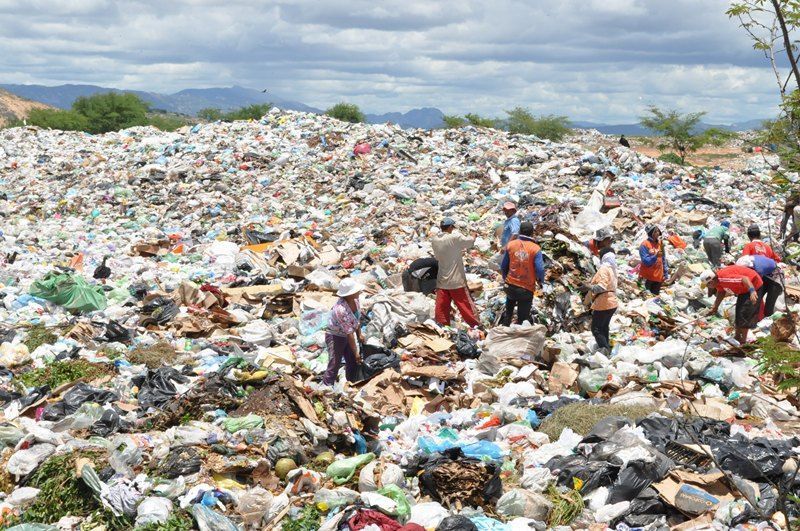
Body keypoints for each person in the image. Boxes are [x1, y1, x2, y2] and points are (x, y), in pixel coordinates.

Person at [431, 217, 480, 328]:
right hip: (456, 280)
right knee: (465, 306)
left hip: (442, 280)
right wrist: (473, 235)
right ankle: (477, 326)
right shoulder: (454, 237)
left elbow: (438, 257)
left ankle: (442, 329)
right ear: (449, 227)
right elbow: (470, 242)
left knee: (441, 308)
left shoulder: (435, 240)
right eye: (452, 227)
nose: (453, 229)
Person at [702, 265, 763, 344]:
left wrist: (752, 291)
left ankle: (743, 341)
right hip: (743, 289)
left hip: (753, 285)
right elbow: (721, 292)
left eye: (708, 285)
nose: (708, 287)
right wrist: (715, 307)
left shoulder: (724, 279)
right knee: (738, 312)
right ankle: (737, 336)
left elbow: (745, 279)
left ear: (711, 281)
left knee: (744, 313)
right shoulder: (718, 282)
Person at [500, 221, 544, 325]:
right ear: (532, 233)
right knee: (522, 319)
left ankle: (505, 326)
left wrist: (506, 278)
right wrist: (540, 280)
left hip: (510, 286)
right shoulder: (535, 248)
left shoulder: (511, 245)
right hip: (526, 289)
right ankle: (519, 334)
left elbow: (503, 266)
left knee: (509, 309)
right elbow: (540, 269)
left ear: (520, 231)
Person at [323, 278, 365, 385]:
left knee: (352, 360)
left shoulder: (356, 300)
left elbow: (356, 319)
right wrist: (356, 352)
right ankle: (327, 386)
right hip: (335, 335)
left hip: (347, 334)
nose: (358, 292)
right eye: (355, 291)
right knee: (335, 362)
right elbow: (349, 332)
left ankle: (351, 382)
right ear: (349, 294)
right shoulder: (340, 309)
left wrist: (359, 334)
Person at [588, 247, 618, 353]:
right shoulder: (612, 269)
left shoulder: (604, 269)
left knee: (596, 328)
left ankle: (605, 350)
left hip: (604, 302)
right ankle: (607, 348)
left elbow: (601, 287)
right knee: (604, 327)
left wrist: (588, 287)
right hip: (612, 302)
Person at [639, 224, 669, 295]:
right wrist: (655, 256)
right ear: (651, 233)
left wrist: (665, 273)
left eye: (658, 231)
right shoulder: (644, 245)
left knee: (655, 299)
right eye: (655, 232)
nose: (658, 233)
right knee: (647, 298)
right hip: (648, 278)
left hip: (658, 277)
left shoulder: (660, 243)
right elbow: (646, 261)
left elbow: (663, 259)